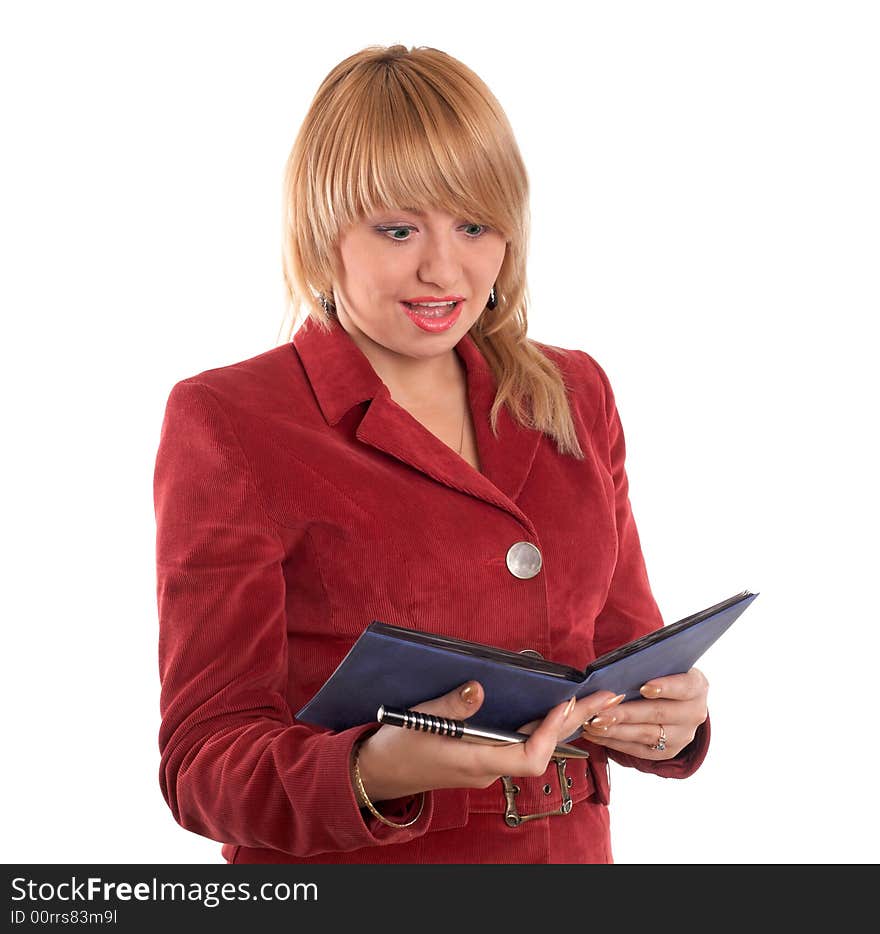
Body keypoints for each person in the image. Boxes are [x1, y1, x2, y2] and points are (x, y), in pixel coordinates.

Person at [153, 44, 710, 865]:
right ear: (323, 230)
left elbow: (622, 655)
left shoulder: (574, 390)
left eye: (475, 225)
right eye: (399, 228)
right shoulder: (230, 420)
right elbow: (203, 762)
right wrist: (371, 771)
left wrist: (666, 719)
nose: (444, 269)